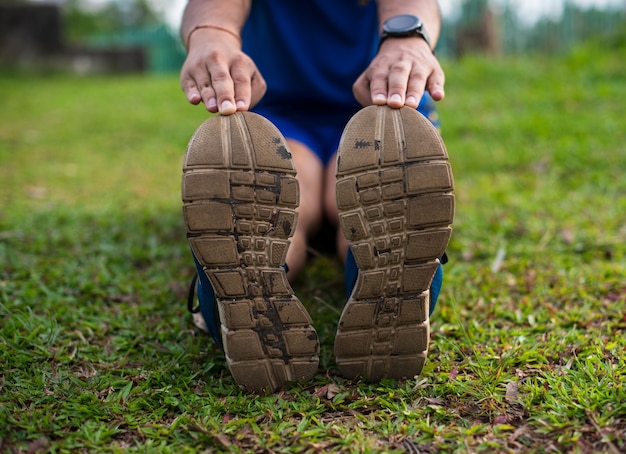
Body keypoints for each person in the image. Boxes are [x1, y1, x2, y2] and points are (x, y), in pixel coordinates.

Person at [180, 0, 454, 393]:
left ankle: (229, 302)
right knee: (344, 201)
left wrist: (405, 38)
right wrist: (213, 34)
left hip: (374, 103)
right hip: (323, 114)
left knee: (292, 201)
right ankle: (396, 288)